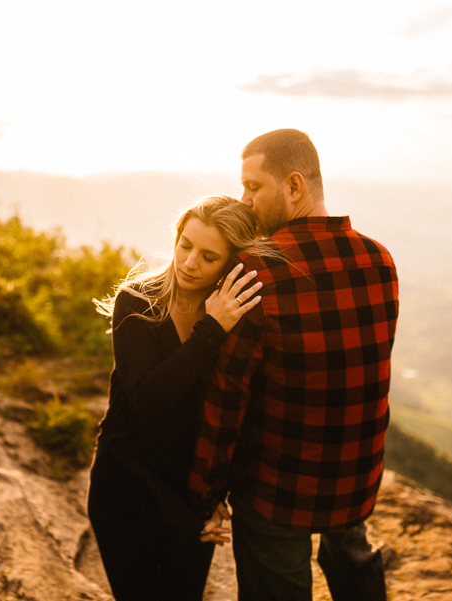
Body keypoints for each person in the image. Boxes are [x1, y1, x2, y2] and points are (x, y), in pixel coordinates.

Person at [190, 129, 399, 601]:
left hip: (276, 490)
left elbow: (228, 396)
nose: (244, 202)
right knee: (354, 569)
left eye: (253, 187)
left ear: (295, 186)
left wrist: (206, 493)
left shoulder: (256, 273)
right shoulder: (379, 260)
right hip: (354, 479)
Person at [88, 195, 277, 601]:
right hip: (125, 486)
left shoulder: (238, 314)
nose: (189, 262)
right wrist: (211, 330)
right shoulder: (138, 301)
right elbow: (147, 396)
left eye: (209, 257)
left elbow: (238, 408)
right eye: (185, 245)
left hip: (191, 492)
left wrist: (215, 493)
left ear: (231, 264)